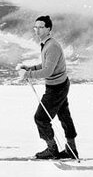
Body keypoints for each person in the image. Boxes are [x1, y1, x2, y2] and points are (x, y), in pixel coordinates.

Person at [18, 15, 78, 159]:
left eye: (41, 27)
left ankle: (52, 149)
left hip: (56, 87)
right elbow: (46, 65)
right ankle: (71, 149)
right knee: (64, 116)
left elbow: (47, 71)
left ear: (48, 29)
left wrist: (28, 75)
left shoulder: (51, 46)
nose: (37, 30)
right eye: (35, 27)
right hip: (59, 85)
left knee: (41, 118)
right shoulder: (47, 44)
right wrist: (30, 68)